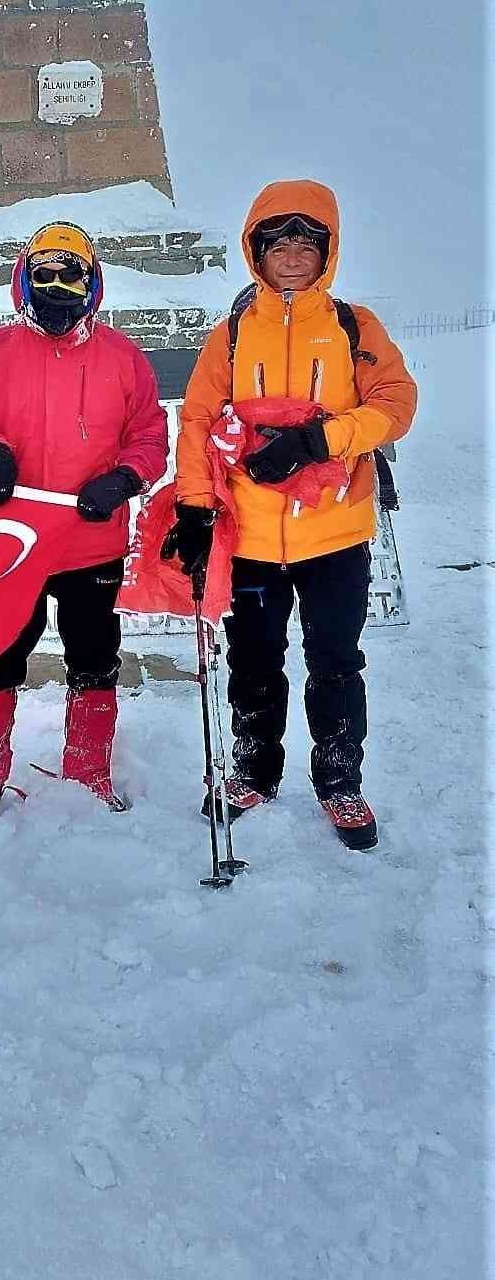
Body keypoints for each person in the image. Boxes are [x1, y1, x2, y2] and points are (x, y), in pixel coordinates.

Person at [163, 180, 417, 850]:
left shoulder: (352, 326)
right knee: (253, 661)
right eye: (278, 242)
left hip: (334, 534)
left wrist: (317, 440)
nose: (292, 254)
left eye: (307, 242)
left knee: (335, 661)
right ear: (256, 252)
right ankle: (252, 770)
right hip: (249, 534)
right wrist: (193, 508)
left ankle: (338, 781)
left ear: (326, 251)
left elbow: (395, 404)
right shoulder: (229, 336)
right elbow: (195, 421)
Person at [0, 221, 169, 830]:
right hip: (11, 543)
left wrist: (124, 478)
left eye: (72, 273)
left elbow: (149, 434)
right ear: (25, 279)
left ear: (91, 281)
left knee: (94, 660)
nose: (58, 285)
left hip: (90, 542)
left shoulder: (124, 358)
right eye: (45, 274)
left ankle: (90, 773)